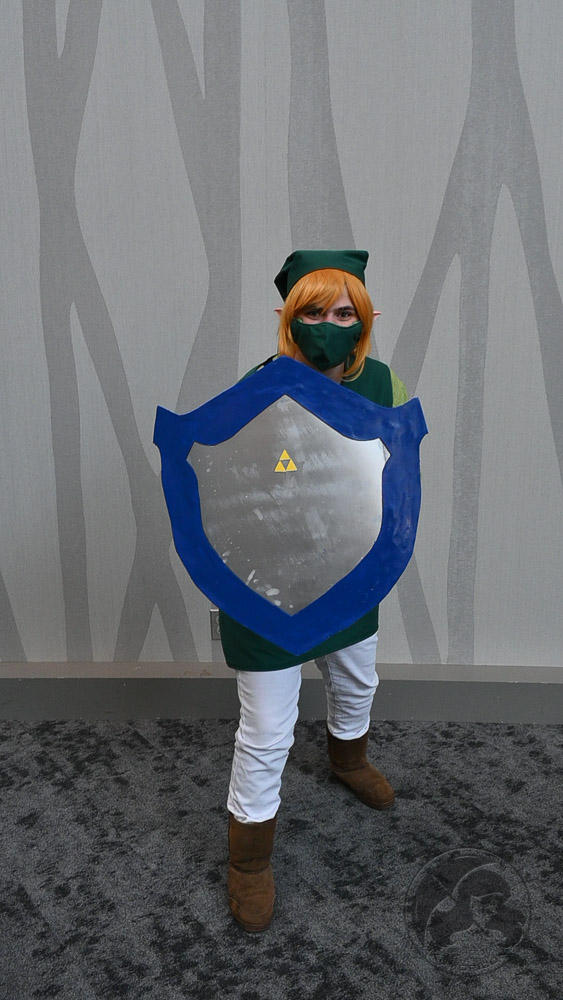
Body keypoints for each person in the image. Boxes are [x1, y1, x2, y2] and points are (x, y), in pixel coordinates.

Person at [221, 250, 408, 933]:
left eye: (343, 312)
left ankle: (347, 760)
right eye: (314, 311)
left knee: (357, 679)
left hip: (347, 568)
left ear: (365, 318)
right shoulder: (258, 386)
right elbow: (228, 490)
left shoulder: (381, 382)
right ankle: (248, 859)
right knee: (268, 727)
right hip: (266, 579)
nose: (328, 324)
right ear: (288, 317)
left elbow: (391, 469)